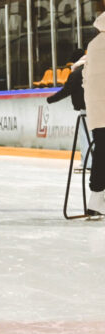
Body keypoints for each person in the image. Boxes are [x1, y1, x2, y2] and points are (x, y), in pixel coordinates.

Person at [47, 48, 90, 173]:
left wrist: (51, 100)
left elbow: (66, 91)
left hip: (86, 110)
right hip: (99, 108)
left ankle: (88, 163)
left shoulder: (76, 73)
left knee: (85, 136)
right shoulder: (95, 69)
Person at [82, 13, 105, 217]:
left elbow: (84, 75)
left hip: (97, 109)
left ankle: (96, 199)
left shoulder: (94, 44)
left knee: (102, 151)